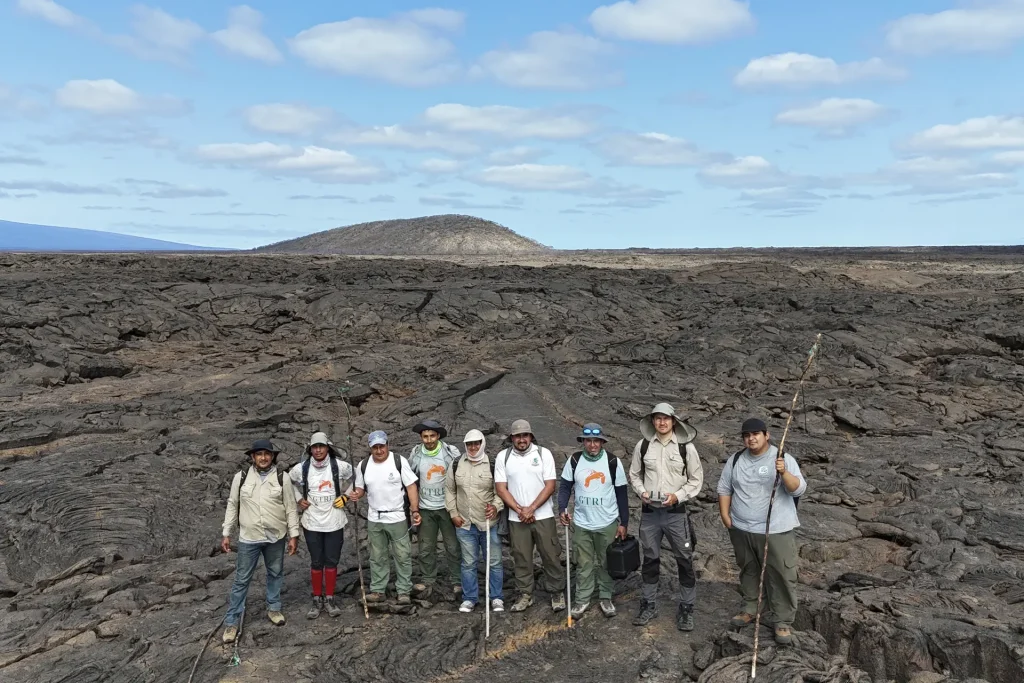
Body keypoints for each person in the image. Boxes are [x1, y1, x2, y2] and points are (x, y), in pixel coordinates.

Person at [717, 417, 806, 646]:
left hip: (775, 529)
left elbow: (798, 489)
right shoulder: (736, 459)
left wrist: (784, 472)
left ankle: (783, 620)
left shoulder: (782, 458)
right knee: (748, 569)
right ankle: (750, 608)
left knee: (781, 574)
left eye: (756, 434)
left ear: (766, 435)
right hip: (741, 528)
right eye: (747, 435)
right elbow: (724, 488)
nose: (751, 438)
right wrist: (726, 515)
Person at [627, 403, 704, 631]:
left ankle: (687, 608)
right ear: (652, 421)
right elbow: (634, 474)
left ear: (674, 421)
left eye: (666, 419)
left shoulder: (686, 448)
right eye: (658, 418)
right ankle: (648, 604)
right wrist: (641, 492)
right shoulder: (642, 446)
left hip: (676, 513)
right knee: (650, 559)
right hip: (650, 513)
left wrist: (678, 496)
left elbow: (696, 479)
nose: (662, 422)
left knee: (684, 559)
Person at [220, 439, 300, 643]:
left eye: (267, 454)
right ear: (252, 457)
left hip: (276, 536)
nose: (263, 458)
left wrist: (294, 535)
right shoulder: (241, 478)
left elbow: (291, 507)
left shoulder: (283, 478)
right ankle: (232, 622)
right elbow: (232, 504)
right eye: (259, 454)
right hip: (249, 537)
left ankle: (274, 608)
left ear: (272, 456)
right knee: (241, 579)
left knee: (275, 573)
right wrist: (227, 533)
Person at [493, 419, 566, 613]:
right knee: (521, 557)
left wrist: (531, 508)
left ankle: (556, 591)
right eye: (517, 436)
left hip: (542, 515)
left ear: (531, 436)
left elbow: (550, 485)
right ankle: (525, 594)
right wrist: (520, 510)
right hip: (516, 518)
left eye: (525, 435)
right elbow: (501, 488)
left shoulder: (543, 454)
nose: (521, 439)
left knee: (550, 554)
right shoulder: (503, 457)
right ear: (512, 438)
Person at [558, 423, 629, 618]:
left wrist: (624, 523)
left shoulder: (613, 462)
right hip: (582, 523)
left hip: (607, 522)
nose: (592, 445)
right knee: (583, 564)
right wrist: (562, 509)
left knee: (606, 562)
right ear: (583, 442)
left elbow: (622, 494)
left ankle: (606, 598)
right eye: (588, 441)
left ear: (602, 442)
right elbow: (565, 487)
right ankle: (582, 600)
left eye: (596, 441)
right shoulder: (574, 460)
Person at [351, 430, 423, 605]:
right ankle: (378, 590)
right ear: (370, 448)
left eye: (381, 446)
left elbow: (411, 487)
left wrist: (415, 511)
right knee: (377, 556)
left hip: (397, 516)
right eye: (375, 447)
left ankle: (404, 590)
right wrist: (355, 494)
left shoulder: (399, 461)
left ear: (387, 445)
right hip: (374, 518)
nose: (379, 450)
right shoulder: (363, 465)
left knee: (403, 555)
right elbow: (360, 488)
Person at [289, 431, 353, 619]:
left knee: (332, 561)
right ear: (310, 449)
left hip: (335, 521)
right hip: (311, 522)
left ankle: (330, 598)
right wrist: (298, 498)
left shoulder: (339, 466)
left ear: (327, 448)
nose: (318, 450)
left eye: (321, 446)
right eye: (314, 447)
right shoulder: (302, 468)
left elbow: (358, 478)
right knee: (316, 562)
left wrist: (346, 496)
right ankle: (317, 598)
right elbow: (287, 482)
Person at [445, 429, 504, 613]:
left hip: (488, 524)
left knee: (494, 562)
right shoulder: (456, 464)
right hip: (465, 524)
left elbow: (501, 491)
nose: (473, 447)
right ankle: (470, 598)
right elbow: (450, 490)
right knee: (468, 563)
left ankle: (496, 597)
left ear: (482, 443)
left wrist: (495, 506)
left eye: (476, 443)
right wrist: (453, 513)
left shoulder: (492, 464)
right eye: (469, 444)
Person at [409, 419, 462, 600]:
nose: (429, 440)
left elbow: (459, 478)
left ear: (438, 436)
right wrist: (413, 508)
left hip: (447, 507)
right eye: (425, 436)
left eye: (432, 436)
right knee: (425, 547)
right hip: (425, 508)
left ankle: (457, 580)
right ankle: (428, 579)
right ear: (421, 437)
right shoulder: (416, 454)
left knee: (453, 546)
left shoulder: (450, 453)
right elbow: (410, 480)